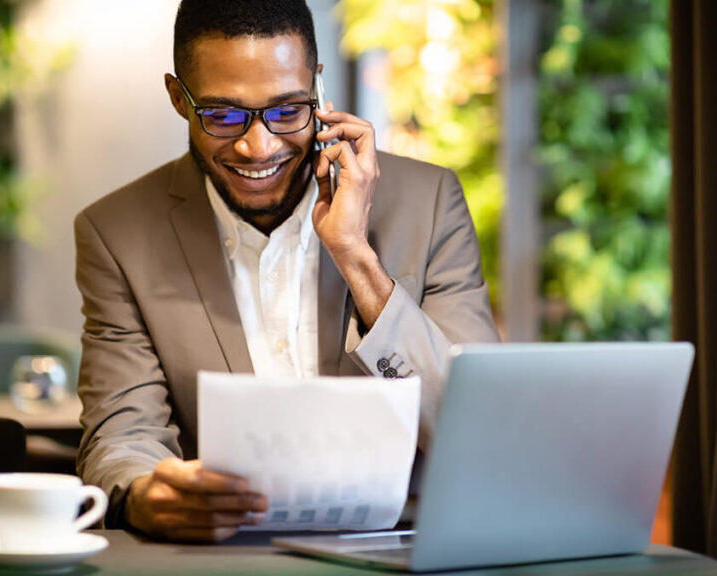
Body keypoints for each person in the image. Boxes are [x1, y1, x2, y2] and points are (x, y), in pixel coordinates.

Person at [74, 0, 499, 543]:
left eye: (287, 111)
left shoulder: (430, 203)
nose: (259, 146)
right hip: (226, 557)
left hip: (404, 551)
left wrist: (356, 257)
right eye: (223, 115)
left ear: (318, 89)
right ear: (179, 99)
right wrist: (144, 493)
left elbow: (479, 433)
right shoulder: (116, 234)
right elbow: (121, 435)